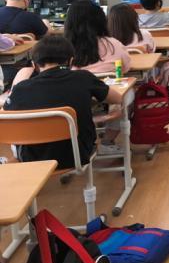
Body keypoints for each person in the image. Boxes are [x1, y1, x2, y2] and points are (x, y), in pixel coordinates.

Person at [3, 35, 123, 169]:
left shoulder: (21, 89)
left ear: (34, 65)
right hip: (78, 155)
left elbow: (7, 116)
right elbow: (117, 98)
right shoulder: (83, 78)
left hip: (32, 158)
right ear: (71, 61)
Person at [64, 0, 131, 75]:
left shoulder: (65, 49)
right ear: (101, 20)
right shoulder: (114, 45)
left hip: (77, 82)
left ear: (69, 24)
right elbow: (126, 68)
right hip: (109, 82)